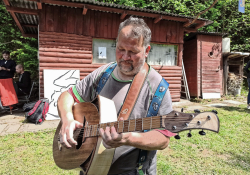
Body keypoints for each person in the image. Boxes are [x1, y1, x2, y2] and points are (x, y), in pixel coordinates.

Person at [57, 16, 175, 175]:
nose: (125, 57)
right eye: (120, 49)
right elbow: (67, 95)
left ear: (146, 51)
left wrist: (129, 138)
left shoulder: (158, 88)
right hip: (90, 169)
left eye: (133, 52)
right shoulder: (103, 73)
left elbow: (163, 138)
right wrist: (67, 120)